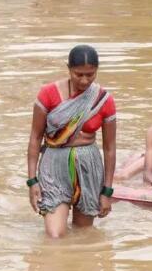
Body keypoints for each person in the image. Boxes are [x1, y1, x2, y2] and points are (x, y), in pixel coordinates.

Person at [26, 45, 116, 238]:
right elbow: (35, 137)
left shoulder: (103, 99)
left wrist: (107, 192)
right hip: (53, 166)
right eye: (78, 74)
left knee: (83, 234)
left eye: (90, 75)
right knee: (55, 235)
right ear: (68, 69)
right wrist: (32, 181)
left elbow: (109, 148)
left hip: (88, 168)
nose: (84, 80)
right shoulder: (48, 94)